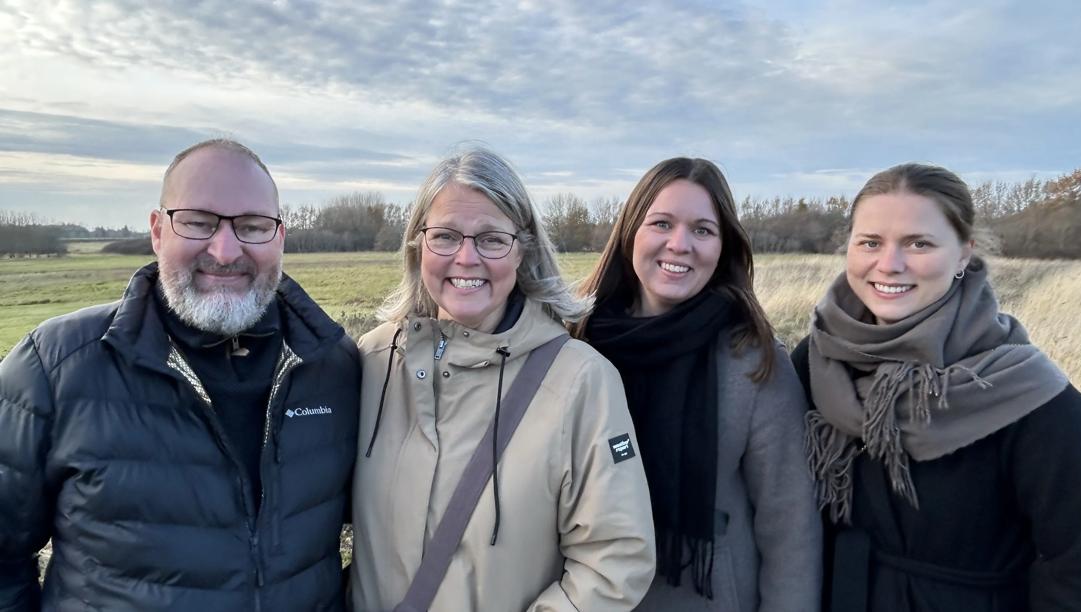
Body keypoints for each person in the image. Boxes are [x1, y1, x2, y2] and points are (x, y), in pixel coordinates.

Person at [0, 139, 361, 611]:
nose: (226, 250)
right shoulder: (54, 367)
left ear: (280, 238)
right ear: (157, 230)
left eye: (252, 226)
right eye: (198, 222)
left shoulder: (335, 366)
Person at [350, 147, 656, 612]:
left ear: (522, 250)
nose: (466, 258)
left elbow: (615, 561)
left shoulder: (581, 381)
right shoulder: (371, 361)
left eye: (492, 239)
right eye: (446, 236)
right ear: (417, 245)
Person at [792, 163, 1081, 611]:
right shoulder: (814, 360)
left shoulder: (1021, 390)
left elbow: (1077, 565)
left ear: (964, 254)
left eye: (919, 243)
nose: (889, 264)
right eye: (870, 242)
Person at [576, 157, 821, 611]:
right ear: (631, 232)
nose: (679, 244)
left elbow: (789, 527)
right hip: (583, 596)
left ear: (723, 246)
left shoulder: (754, 360)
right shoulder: (576, 341)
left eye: (703, 230)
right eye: (662, 223)